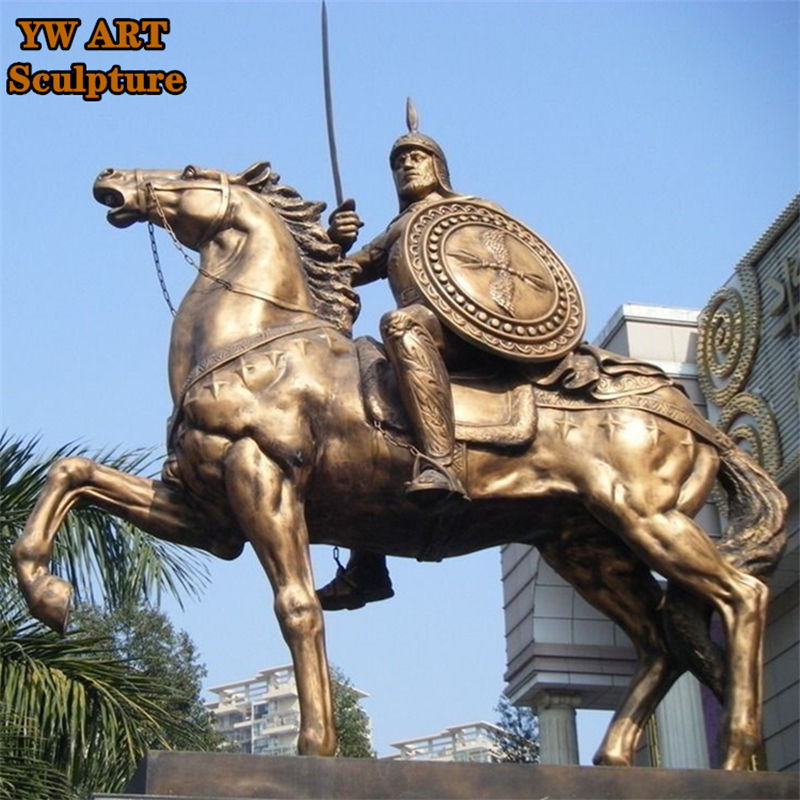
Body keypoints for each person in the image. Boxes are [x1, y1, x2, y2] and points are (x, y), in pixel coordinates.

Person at [317, 107, 499, 610]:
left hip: (465, 330)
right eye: (399, 162)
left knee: (400, 324)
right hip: (426, 336)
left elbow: (502, 267)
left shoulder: (469, 211)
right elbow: (345, 273)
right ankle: (368, 563)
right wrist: (336, 242)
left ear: (438, 165)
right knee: (357, 374)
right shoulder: (398, 229)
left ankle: (440, 463)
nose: (407, 166)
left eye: (417, 157)